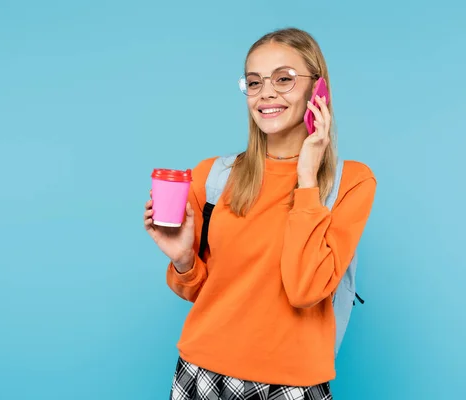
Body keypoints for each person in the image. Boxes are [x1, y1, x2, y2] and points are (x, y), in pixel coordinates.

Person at [144, 27, 376, 400]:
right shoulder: (213, 176)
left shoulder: (351, 182)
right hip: (201, 373)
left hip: (292, 384)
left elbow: (305, 290)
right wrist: (184, 259)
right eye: (254, 82)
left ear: (319, 90)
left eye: (283, 79)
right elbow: (206, 292)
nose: (266, 92)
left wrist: (305, 178)